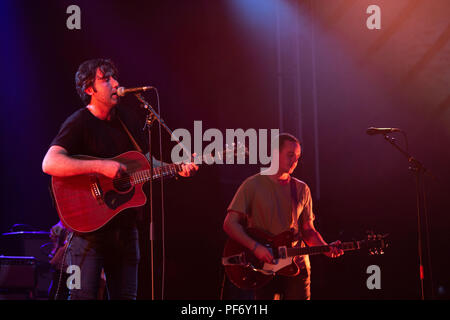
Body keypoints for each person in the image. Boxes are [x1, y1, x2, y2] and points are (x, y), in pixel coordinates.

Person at [42, 58, 198, 300]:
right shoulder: (79, 122)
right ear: (89, 89)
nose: (115, 83)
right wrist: (101, 166)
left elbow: (147, 163)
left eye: (114, 77)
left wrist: (176, 168)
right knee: (83, 297)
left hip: (125, 230)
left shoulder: (126, 120)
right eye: (106, 79)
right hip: (89, 232)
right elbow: (50, 163)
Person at [223, 133, 343, 300]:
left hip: (297, 266)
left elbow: (308, 231)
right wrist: (255, 247)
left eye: (298, 156)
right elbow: (230, 224)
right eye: (290, 155)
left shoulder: (302, 189)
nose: (295, 160)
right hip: (261, 267)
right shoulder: (252, 184)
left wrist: (326, 248)